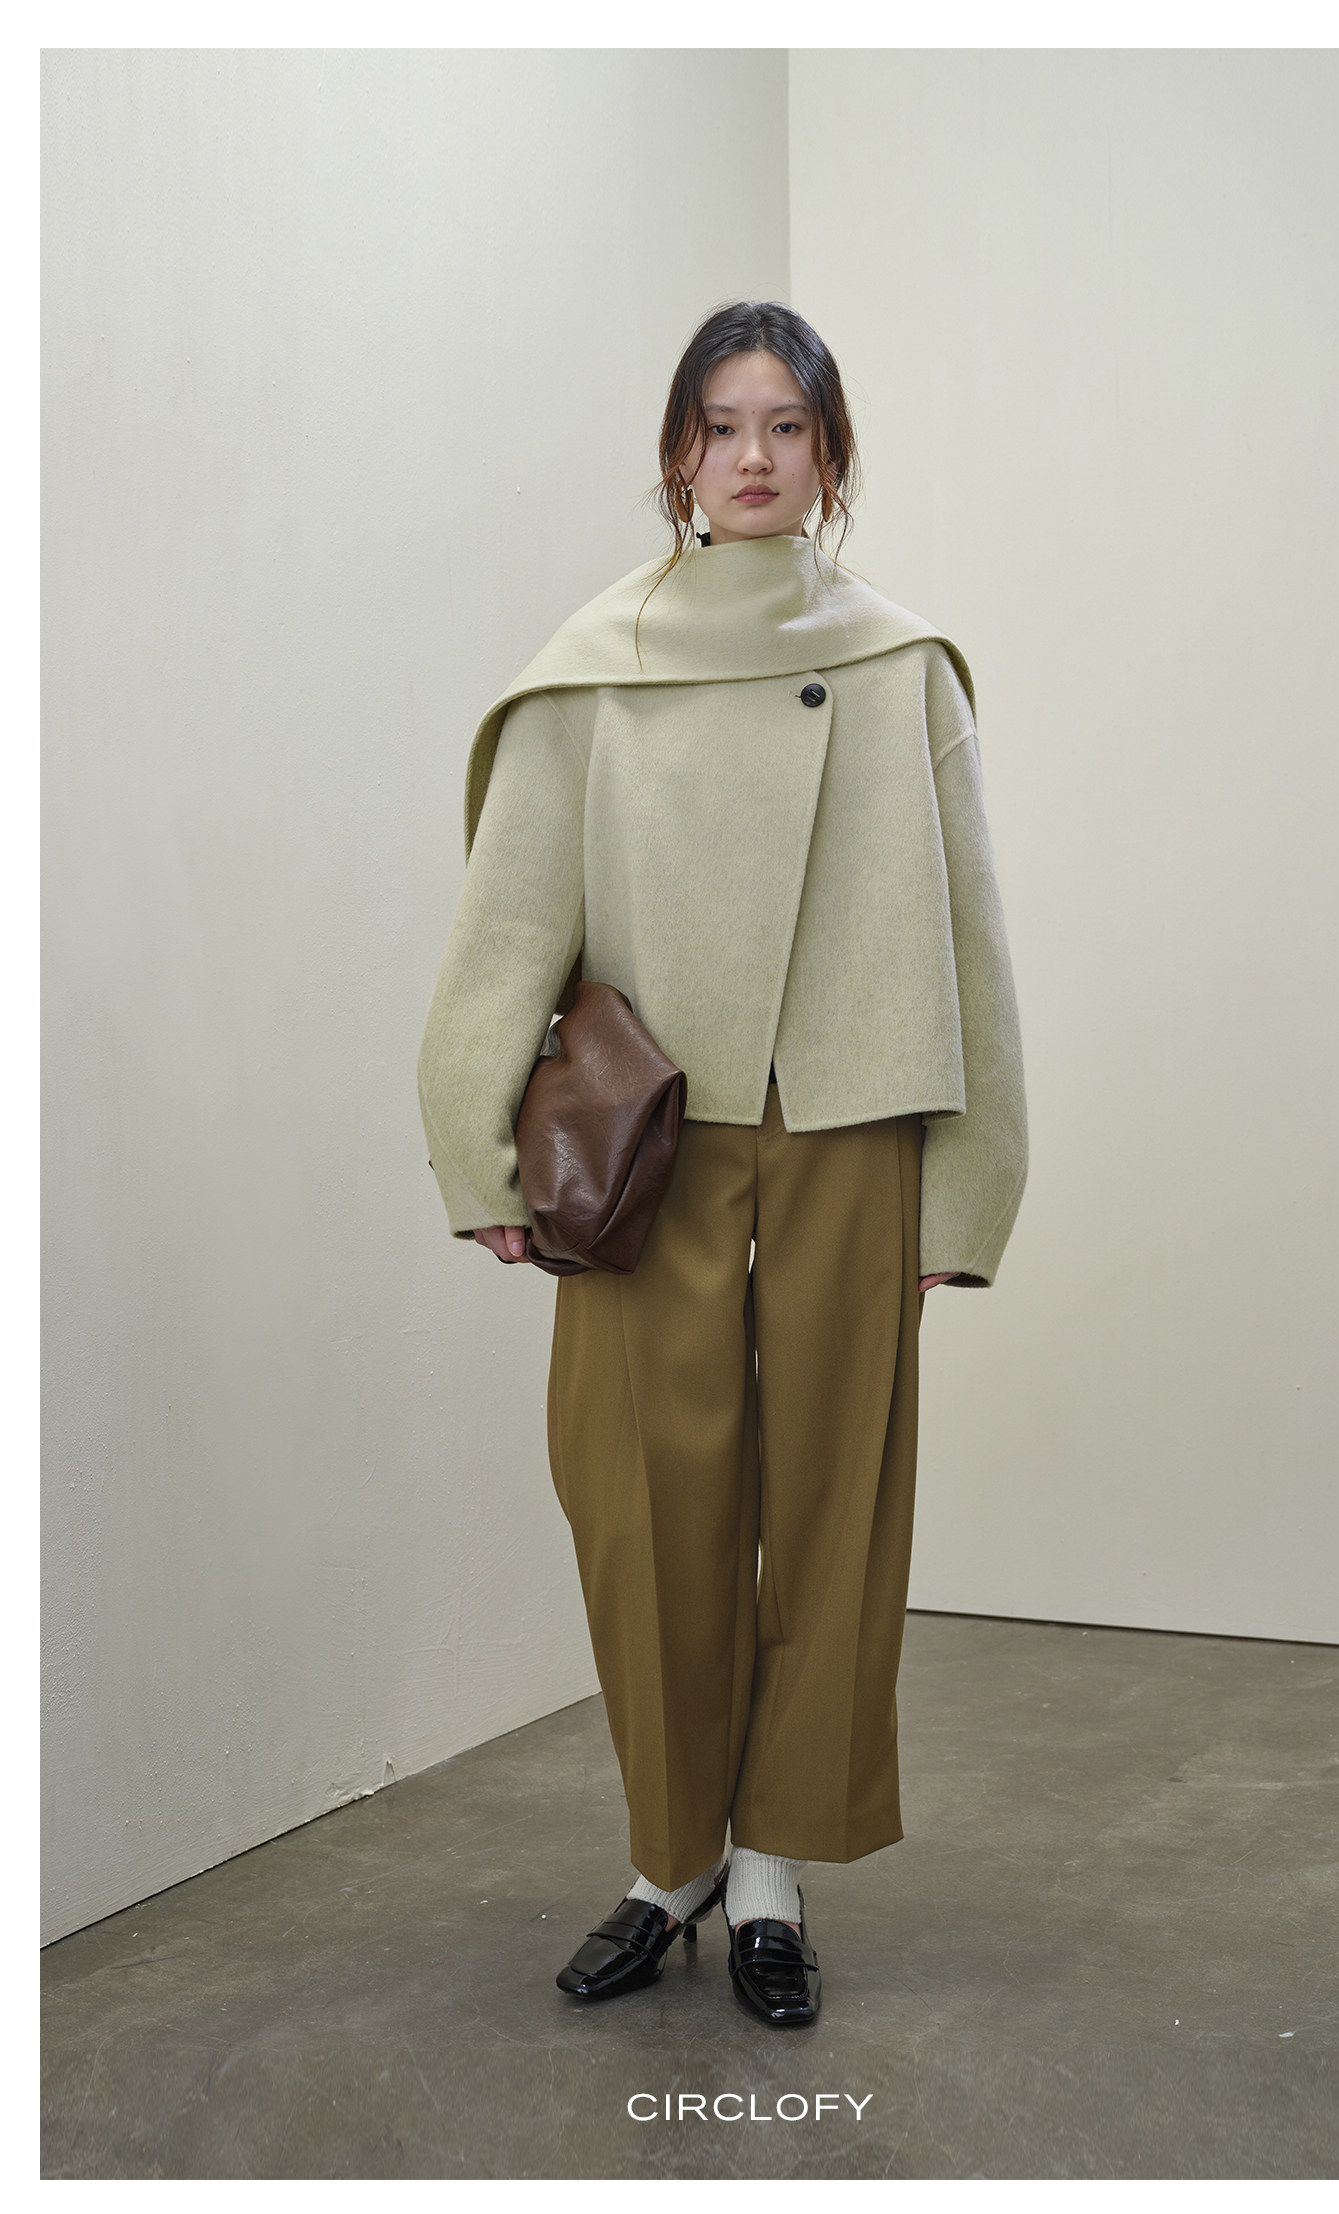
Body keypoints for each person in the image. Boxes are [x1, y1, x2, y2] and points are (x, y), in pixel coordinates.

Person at [417, 301, 1027, 2028]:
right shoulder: (595, 662)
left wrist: (974, 1180)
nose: (754, 456)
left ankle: (773, 1868)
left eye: (788, 425)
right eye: (722, 424)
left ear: (831, 456)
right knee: (640, 1498)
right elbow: (509, 920)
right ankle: (669, 1853)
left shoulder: (904, 665)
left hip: (852, 1119)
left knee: (836, 1500)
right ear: (678, 454)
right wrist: (477, 1146)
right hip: (650, 1140)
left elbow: (972, 940)